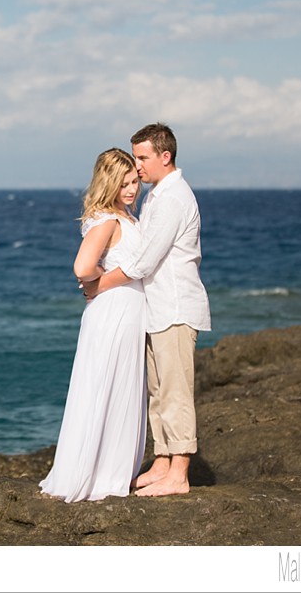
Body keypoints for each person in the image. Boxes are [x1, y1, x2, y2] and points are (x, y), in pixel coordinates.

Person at [82, 122, 211, 497]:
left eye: (142, 158)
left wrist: (97, 285)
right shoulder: (159, 194)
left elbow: (143, 261)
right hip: (157, 310)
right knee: (158, 390)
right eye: (135, 157)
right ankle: (163, 462)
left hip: (174, 307)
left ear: (164, 156)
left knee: (175, 392)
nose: (136, 167)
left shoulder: (172, 198)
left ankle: (180, 474)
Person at [39, 148, 148, 503]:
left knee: (117, 388)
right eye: (123, 184)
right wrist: (98, 281)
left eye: (134, 182)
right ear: (109, 184)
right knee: (106, 387)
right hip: (114, 313)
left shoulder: (121, 215)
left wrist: (98, 282)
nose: (132, 190)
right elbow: (82, 267)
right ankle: (99, 476)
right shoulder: (109, 220)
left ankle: (109, 471)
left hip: (122, 311)